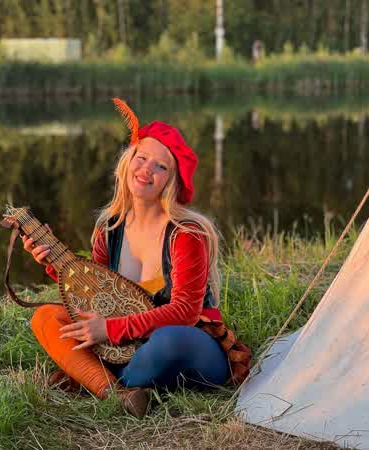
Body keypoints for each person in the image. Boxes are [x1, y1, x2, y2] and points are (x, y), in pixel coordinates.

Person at [23, 99, 250, 418]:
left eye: (161, 166)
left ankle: (92, 377)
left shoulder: (187, 233)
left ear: (172, 181)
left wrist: (110, 330)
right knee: (46, 317)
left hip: (188, 344)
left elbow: (185, 312)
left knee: (168, 341)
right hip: (128, 347)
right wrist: (51, 262)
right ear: (127, 162)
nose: (146, 170)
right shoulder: (109, 228)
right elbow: (94, 293)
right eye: (141, 158)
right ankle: (120, 394)